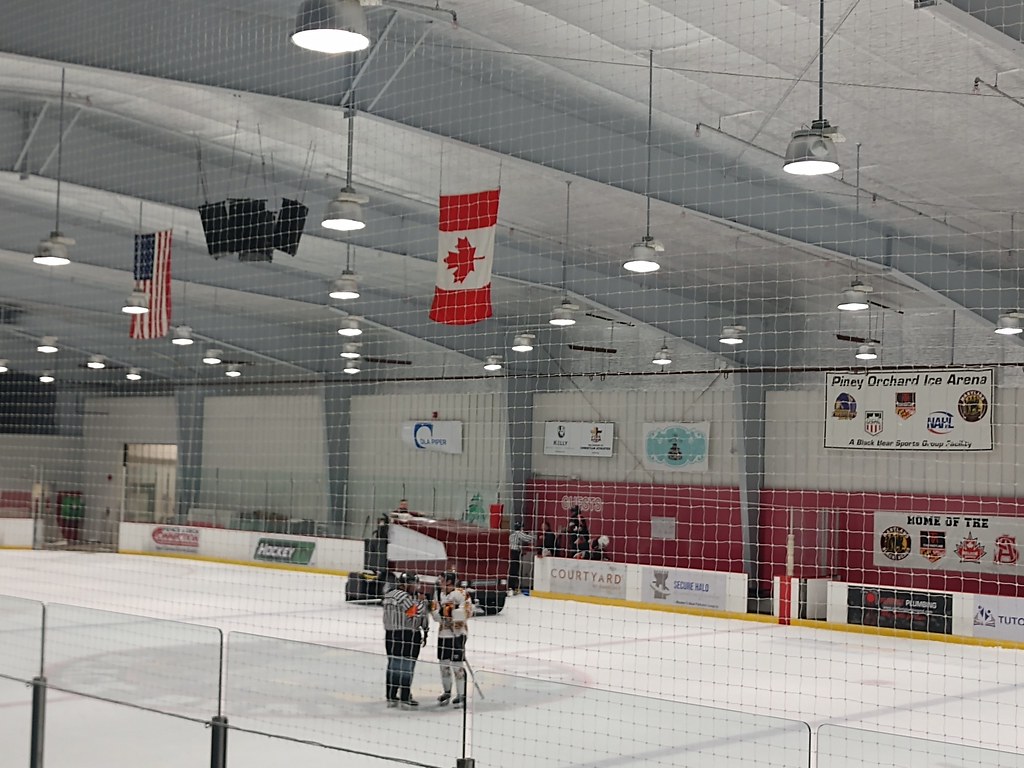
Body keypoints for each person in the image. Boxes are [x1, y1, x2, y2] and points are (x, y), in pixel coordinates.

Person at [382, 572, 425, 709]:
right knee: (407, 665)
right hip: (407, 635)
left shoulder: (388, 596)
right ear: (405, 584)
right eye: (413, 583)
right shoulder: (405, 597)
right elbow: (414, 616)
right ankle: (405, 696)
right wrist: (422, 604)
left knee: (393, 664)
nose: (415, 587)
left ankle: (391, 695)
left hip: (390, 635)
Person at [430, 571, 470, 707]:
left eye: (441, 580)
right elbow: (434, 612)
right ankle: (447, 691)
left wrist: (452, 613)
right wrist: (440, 614)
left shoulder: (461, 593)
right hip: (443, 634)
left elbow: (468, 611)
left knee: (457, 665)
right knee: (443, 665)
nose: (439, 582)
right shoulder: (438, 594)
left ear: (449, 581)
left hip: (458, 633)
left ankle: (461, 694)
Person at [507, 521, 535, 594]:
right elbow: (528, 538)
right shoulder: (519, 533)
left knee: (512, 569)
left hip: (511, 552)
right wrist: (534, 536)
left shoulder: (511, 535)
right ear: (521, 527)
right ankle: (513, 587)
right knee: (515, 569)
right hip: (516, 552)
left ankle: (511, 586)